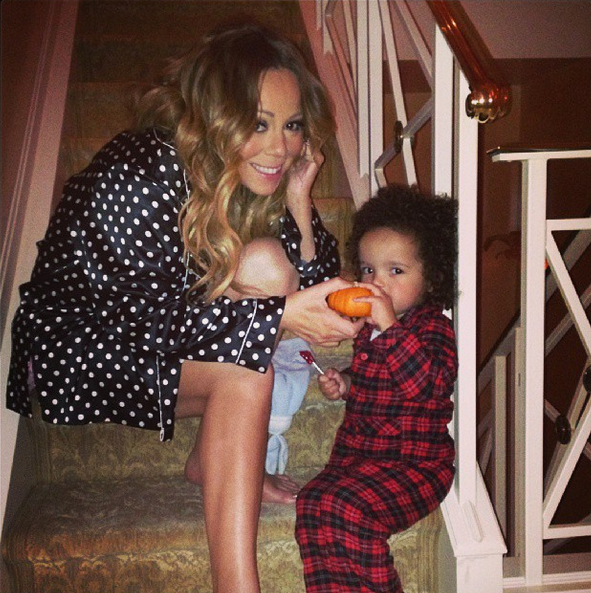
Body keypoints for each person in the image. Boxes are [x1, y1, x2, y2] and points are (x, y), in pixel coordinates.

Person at [6, 23, 364, 593]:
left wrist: (300, 201)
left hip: (163, 334)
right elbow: (138, 322)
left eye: (292, 125)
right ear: (216, 115)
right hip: (78, 349)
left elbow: (312, 285)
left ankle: (213, 459)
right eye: (258, 123)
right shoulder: (138, 167)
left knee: (269, 266)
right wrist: (277, 319)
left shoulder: (261, 176)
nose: (280, 148)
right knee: (247, 367)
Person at [295, 184, 459, 593]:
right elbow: (376, 383)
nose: (376, 283)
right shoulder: (369, 330)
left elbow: (425, 387)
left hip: (414, 466)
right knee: (313, 502)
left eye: (395, 271)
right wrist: (346, 383)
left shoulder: (433, 328)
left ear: (431, 276)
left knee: (349, 510)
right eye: (368, 270)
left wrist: (388, 326)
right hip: (359, 459)